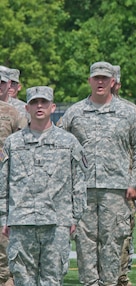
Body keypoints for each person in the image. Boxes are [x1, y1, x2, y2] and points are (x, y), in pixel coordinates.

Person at [58, 61, 136, 286]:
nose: (100, 82)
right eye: (96, 78)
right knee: (84, 243)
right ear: (89, 81)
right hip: (83, 191)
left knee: (113, 244)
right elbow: (59, 146)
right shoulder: (75, 113)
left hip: (116, 192)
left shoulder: (128, 113)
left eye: (104, 78)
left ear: (112, 82)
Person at [0, 86, 87, 285]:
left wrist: (75, 216)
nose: (39, 106)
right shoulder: (13, 143)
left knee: (52, 280)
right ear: (27, 108)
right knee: (23, 280)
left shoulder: (68, 141)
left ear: (53, 107)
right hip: (22, 223)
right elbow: (3, 183)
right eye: (34, 102)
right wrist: (4, 217)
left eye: (44, 102)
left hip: (57, 223)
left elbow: (80, 181)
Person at [112, 65, 136, 286]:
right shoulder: (81, 111)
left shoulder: (131, 112)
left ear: (117, 83)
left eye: (114, 80)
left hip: (124, 187)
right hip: (93, 188)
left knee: (123, 235)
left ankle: (121, 278)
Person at [0, 91, 26, 286]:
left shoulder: (12, 112)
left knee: (4, 238)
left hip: (5, 184)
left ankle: (7, 278)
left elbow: (25, 144)